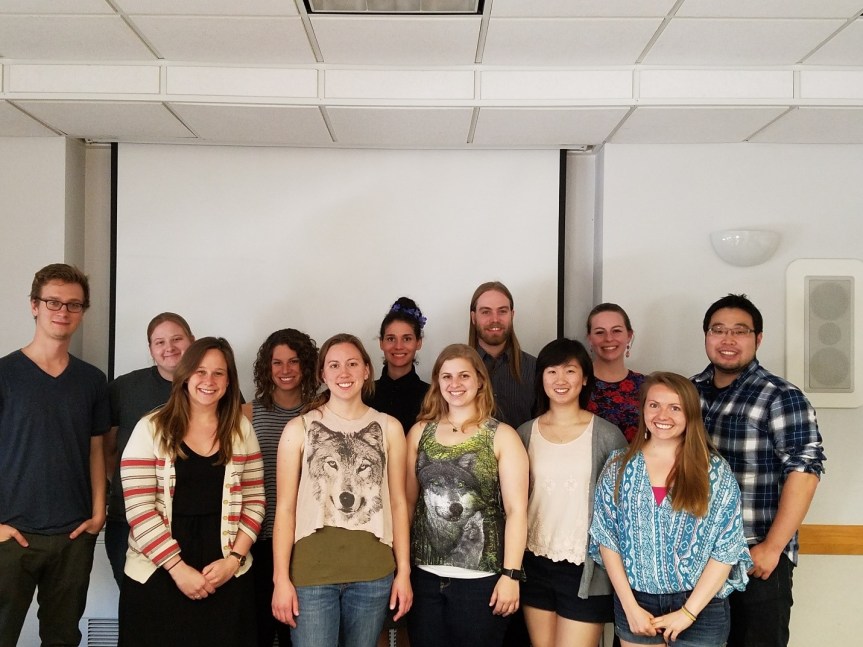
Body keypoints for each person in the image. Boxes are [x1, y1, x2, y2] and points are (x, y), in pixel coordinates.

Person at [692, 294, 826, 647]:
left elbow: (806, 471)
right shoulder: (690, 393)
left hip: (756, 558)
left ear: (758, 338)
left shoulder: (780, 396)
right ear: (706, 336)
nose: (727, 340)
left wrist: (773, 546)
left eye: (740, 331)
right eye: (718, 330)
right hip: (697, 559)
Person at [118, 337, 265, 647]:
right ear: (185, 375)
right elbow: (139, 510)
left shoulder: (241, 429)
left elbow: (254, 502)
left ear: (229, 380)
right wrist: (177, 568)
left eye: (218, 373)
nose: (208, 381)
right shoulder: (150, 428)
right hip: (159, 572)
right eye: (200, 371)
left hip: (226, 574)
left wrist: (234, 560)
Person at [590, 372, 752, 647]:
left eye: (675, 407)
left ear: (690, 414)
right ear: (642, 409)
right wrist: (629, 607)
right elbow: (608, 540)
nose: (662, 415)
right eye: (654, 405)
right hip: (637, 603)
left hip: (700, 606)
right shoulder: (618, 466)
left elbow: (726, 549)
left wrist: (688, 613)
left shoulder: (712, 471)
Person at [272, 333, 412, 647]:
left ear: (366, 370)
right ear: (323, 374)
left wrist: (403, 572)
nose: (343, 373)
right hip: (311, 575)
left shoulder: (389, 428)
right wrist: (280, 578)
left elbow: (399, 504)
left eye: (351, 364)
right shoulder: (300, 429)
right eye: (334, 365)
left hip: (373, 573)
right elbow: (285, 508)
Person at [0, 263, 110, 647]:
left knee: (63, 639)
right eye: (53, 302)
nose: (63, 312)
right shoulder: (5, 374)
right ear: (34, 305)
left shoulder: (92, 381)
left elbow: (97, 449)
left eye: (74, 305)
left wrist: (99, 512)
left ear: (82, 311)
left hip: (73, 534)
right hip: (10, 536)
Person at [406, 343, 528, 647]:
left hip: (482, 581)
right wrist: (403, 569)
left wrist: (511, 576)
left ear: (480, 381)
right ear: (437, 383)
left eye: (463, 376)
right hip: (425, 578)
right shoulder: (420, 432)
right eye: (446, 377)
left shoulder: (502, 435)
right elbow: (407, 503)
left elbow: (516, 512)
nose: (455, 384)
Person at [516, 339, 627, 647]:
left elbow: (623, 508)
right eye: (551, 371)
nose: (560, 380)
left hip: (586, 569)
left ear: (585, 377)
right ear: (541, 378)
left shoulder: (608, 435)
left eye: (570, 371)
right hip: (534, 562)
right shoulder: (524, 434)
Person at [104, 312, 195, 586]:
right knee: (138, 611)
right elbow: (107, 450)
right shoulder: (124, 388)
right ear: (151, 349)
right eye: (160, 342)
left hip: (194, 521)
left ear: (193, 341)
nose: (169, 348)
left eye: (177, 339)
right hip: (129, 522)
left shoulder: (213, 384)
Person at [242, 328, 318, 647]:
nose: (285, 370)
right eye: (277, 363)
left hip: (304, 539)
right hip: (257, 537)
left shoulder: (320, 412)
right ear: (266, 367)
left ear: (307, 366)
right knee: (258, 630)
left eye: (294, 361)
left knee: (296, 631)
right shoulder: (248, 412)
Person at [468, 281, 536, 429]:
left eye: (502, 311)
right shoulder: (456, 370)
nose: (495, 319)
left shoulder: (535, 368)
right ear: (473, 317)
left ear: (512, 315)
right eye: (486, 312)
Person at [369, 296, 430, 434]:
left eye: (407, 339)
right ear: (381, 342)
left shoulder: (431, 397)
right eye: (391, 339)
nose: (398, 346)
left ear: (418, 342)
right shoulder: (365, 394)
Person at [585, 303, 645, 443]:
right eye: (600, 332)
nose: (609, 338)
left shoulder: (646, 386)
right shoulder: (576, 384)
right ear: (589, 338)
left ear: (629, 336)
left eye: (616, 331)